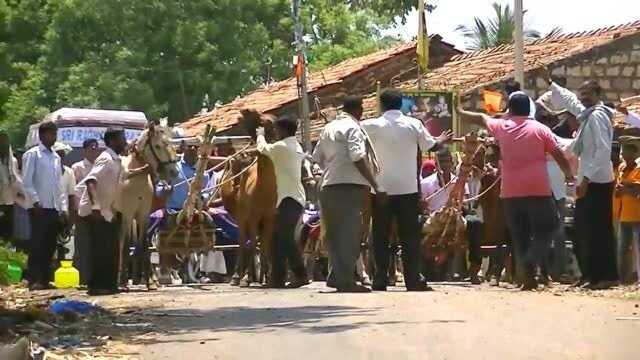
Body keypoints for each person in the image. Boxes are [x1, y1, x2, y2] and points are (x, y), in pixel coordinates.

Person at [457, 93, 575, 290]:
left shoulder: (502, 127)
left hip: (510, 191)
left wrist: (459, 110)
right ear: (528, 110)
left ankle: (527, 278)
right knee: (549, 226)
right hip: (538, 188)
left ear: (509, 109)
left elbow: (479, 118)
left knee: (519, 234)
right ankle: (531, 261)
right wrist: (569, 175)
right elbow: (558, 154)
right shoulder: (541, 129)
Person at [362, 89, 451, 292]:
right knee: (409, 236)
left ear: (381, 105)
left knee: (380, 235)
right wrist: (442, 139)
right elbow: (432, 146)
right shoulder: (413, 124)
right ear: (400, 104)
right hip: (408, 190)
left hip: (380, 190)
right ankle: (412, 279)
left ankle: (380, 278)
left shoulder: (370, 125)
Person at [542, 73, 619, 290]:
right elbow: (571, 101)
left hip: (597, 182)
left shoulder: (597, 117)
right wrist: (551, 84)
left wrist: (585, 179)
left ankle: (606, 276)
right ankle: (590, 274)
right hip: (588, 181)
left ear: (597, 95)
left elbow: (603, 151)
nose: (583, 98)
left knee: (598, 230)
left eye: (588, 94)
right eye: (582, 94)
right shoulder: (587, 114)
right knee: (582, 229)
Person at [313, 95, 383, 293]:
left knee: (334, 235)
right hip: (349, 187)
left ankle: (336, 275)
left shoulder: (328, 128)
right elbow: (357, 156)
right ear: (359, 110)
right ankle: (346, 281)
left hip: (328, 186)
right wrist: (375, 184)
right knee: (350, 235)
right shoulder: (353, 128)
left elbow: (316, 157)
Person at [256, 116, 310, 289]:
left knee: (285, 237)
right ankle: (277, 278)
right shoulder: (295, 145)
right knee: (276, 237)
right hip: (290, 198)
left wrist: (260, 134)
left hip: (290, 199)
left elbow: (263, 148)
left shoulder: (282, 147)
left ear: (285, 131)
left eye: (278, 130)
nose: (276, 133)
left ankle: (301, 274)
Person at [77, 128, 127, 296]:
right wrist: (95, 205)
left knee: (111, 249)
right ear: (112, 141)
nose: (125, 142)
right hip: (95, 211)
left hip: (108, 211)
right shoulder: (105, 158)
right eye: (122, 139)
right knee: (99, 250)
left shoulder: (117, 160)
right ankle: (96, 286)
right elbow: (91, 180)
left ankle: (109, 285)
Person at [22, 121, 67, 291]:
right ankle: (34, 279)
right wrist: (35, 201)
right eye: (50, 134)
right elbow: (26, 181)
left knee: (50, 245)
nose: (53, 137)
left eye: (55, 134)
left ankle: (45, 278)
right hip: (38, 208)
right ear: (42, 135)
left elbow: (58, 186)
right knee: (38, 244)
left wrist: (62, 209)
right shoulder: (33, 155)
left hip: (53, 207)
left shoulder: (56, 157)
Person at [71, 138, 99, 285]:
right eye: (91, 148)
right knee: (82, 246)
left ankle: (93, 278)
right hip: (81, 211)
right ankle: (80, 278)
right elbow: (73, 190)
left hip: (96, 211)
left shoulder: (100, 167)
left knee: (96, 246)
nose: (94, 151)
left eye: (96, 148)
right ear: (85, 150)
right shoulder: (78, 167)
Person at [613, 142, 640, 285]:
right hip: (624, 214)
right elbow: (619, 186)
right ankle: (623, 279)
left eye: (626, 151)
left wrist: (627, 189)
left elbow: (637, 189)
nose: (623, 154)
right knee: (622, 247)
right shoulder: (622, 167)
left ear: (634, 152)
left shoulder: (638, 168)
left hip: (637, 214)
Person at [0, 130, 21, 243]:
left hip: (10, 202)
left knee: (8, 232)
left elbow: (16, 180)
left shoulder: (13, 161)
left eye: (5, 142)